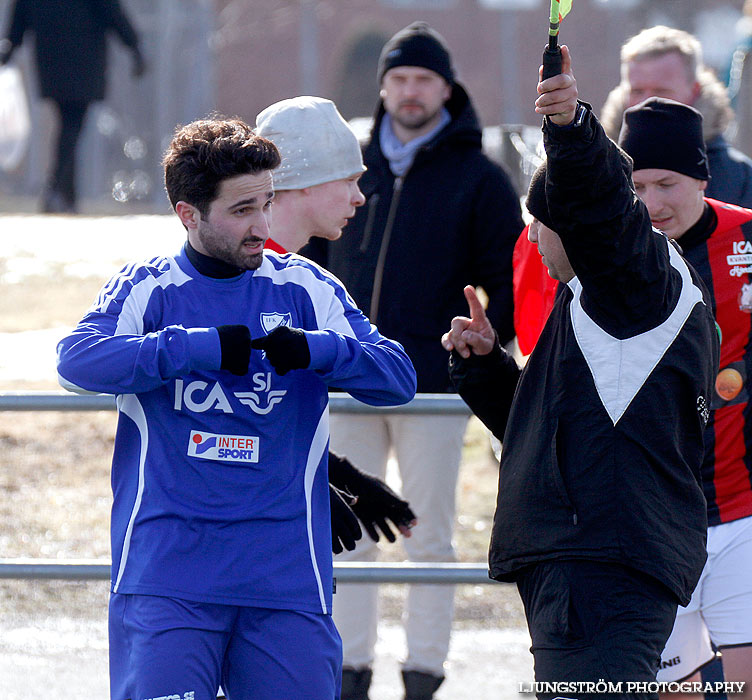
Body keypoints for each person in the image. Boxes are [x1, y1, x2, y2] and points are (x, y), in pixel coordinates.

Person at [56, 116, 417, 700]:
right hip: (168, 578)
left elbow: (398, 377)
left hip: (285, 579)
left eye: (267, 205)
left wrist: (316, 351)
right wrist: (193, 347)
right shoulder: (150, 287)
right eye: (242, 210)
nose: (262, 226)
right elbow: (77, 360)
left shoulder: (306, 287)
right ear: (189, 215)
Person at [442, 46, 719, 695]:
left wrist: (568, 126)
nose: (532, 241)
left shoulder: (636, 283)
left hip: (601, 565)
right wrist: (486, 369)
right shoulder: (601, 300)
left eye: (537, 224)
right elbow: (551, 432)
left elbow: (598, 202)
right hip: (587, 559)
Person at [303, 22, 524, 699]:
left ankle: (425, 673)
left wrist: (479, 348)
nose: (409, 92)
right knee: (349, 533)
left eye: (423, 80)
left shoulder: (479, 178)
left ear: (447, 90)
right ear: (382, 89)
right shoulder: (349, 169)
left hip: (432, 388)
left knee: (428, 536)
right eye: (398, 79)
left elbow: (509, 280)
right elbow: (306, 262)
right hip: (346, 384)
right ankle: (350, 671)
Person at [615, 98, 752, 697]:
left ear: (702, 176)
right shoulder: (611, 255)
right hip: (653, 522)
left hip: (742, 509)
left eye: (666, 184)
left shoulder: (746, 237)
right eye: (637, 185)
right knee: (674, 691)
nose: (651, 203)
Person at [255, 94, 418, 552]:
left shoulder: (307, 279)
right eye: (348, 179)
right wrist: (295, 481)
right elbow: (217, 415)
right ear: (303, 183)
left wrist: (337, 474)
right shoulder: (231, 269)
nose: (359, 196)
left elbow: (396, 379)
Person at [0, 0, 145, 213]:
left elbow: (21, 13)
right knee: (73, 124)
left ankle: (66, 194)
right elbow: (112, 12)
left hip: (51, 57)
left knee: (68, 124)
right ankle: (57, 188)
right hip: (85, 58)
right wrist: (134, 46)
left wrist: (11, 46)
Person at [601, 24, 752, 209]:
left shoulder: (741, 180)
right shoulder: (599, 167)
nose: (646, 102)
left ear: (695, 90)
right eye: (637, 91)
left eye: (661, 91)